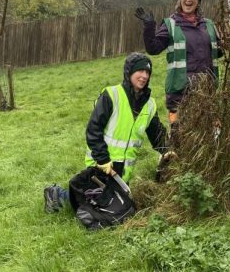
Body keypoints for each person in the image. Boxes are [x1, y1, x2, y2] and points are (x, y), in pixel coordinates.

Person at [44, 52, 172, 213]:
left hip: (122, 174)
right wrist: (102, 159)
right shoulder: (112, 95)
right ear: (129, 72)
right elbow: (93, 129)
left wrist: (167, 150)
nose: (144, 76)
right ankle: (57, 195)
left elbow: (156, 134)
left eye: (147, 72)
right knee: (93, 207)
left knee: (119, 210)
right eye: (140, 71)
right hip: (101, 167)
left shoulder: (150, 105)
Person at [135, 0, 222, 128]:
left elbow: (218, 52)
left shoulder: (208, 25)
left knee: (206, 133)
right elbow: (153, 49)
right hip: (180, 91)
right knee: (180, 134)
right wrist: (149, 27)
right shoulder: (171, 24)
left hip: (207, 90)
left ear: (198, 1)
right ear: (180, 0)